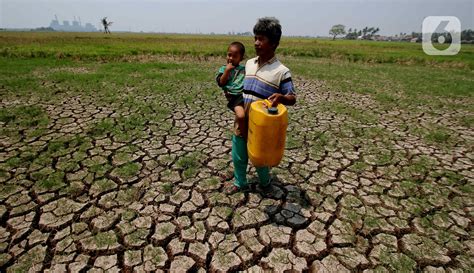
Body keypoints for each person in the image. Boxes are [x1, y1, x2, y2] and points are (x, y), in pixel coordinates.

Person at [226, 17, 297, 195]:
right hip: (243, 118)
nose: (256, 43)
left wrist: (281, 98)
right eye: (255, 38)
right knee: (239, 153)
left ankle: (265, 183)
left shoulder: (281, 71)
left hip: (262, 124)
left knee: (260, 156)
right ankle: (240, 182)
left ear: (274, 43)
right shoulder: (249, 63)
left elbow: (292, 97)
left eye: (261, 39)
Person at [216, 42, 246, 135]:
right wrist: (227, 70)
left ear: (241, 58)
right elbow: (221, 83)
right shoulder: (223, 69)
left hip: (244, 96)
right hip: (234, 97)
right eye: (229, 55)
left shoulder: (244, 69)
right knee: (241, 116)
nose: (231, 58)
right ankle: (243, 133)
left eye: (235, 56)